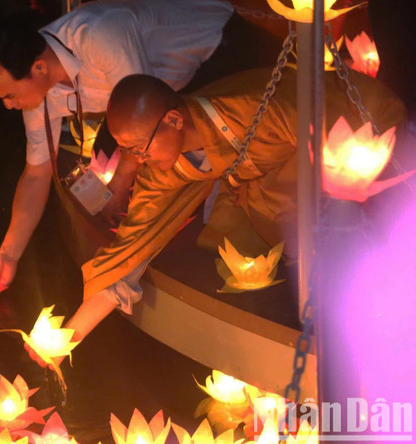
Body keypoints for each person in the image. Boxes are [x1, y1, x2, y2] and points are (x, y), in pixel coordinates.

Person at [26, 67, 406, 368]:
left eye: (139, 148)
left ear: (175, 120)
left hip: (359, 128)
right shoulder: (162, 168)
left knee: (299, 217)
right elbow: (130, 248)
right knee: (231, 246)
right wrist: (63, 341)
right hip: (266, 175)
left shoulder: (256, 106)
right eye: (129, 152)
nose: (138, 160)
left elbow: (340, 138)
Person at [0, 0, 235, 292]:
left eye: (9, 95)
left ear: (39, 67)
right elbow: (36, 173)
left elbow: (145, 117)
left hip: (220, 52)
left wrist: (119, 185)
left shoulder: (98, 35)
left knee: (216, 171)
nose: (8, 106)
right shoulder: (37, 92)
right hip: (168, 104)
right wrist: (8, 254)